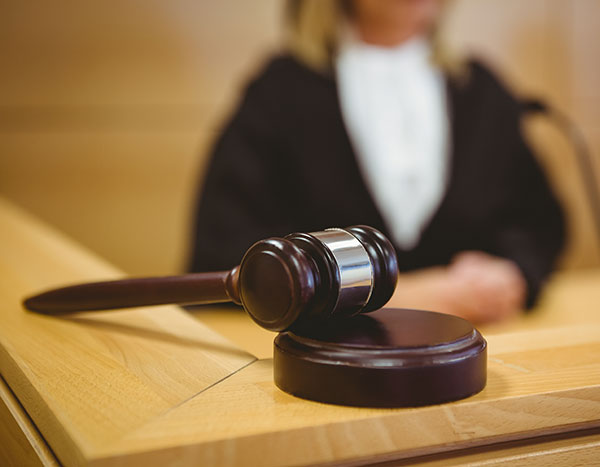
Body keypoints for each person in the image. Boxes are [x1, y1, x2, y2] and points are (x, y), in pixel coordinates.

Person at [189, 0, 566, 324]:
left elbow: (539, 223)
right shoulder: (280, 91)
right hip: (327, 363)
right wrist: (397, 296)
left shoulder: (480, 88)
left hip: (479, 345)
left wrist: (513, 273)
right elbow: (225, 250)